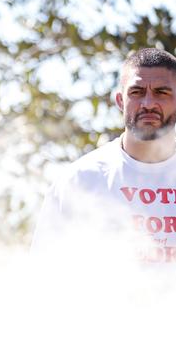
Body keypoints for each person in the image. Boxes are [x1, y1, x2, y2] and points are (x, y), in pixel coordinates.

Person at [32, 48, 176, 264]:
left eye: (161, 92)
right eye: (136, 92)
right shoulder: (81, 180)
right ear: (120, 101)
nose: (148, 104)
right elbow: (43, 274)